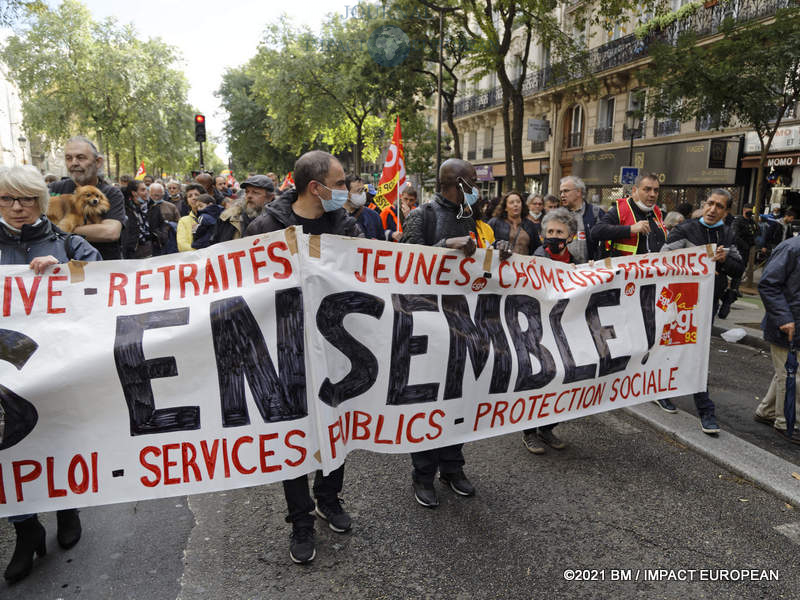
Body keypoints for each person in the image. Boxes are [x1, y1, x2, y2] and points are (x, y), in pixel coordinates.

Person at [247, 150, 362, 565]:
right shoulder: (265, 227)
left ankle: (327, 499)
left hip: (336, 346)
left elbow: (381, 271)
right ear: (317, 188)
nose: (346, 188)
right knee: (293, 432)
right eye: (341, 181)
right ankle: (300, 520)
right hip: (286, 348)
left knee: (335, 421)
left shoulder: (345, 224)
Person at [0, 166, 102, 584]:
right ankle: (26, 529)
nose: (18, 207)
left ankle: (68, 506)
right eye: (8, 199)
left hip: (60, 365)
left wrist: (65, 272)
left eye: (26, 199)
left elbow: (106, 290)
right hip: (7, 372)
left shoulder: (68, 243)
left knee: (61, 435)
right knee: (10, 449)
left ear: (42, 202)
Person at [401, 158, 484, 509]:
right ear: (457, 182)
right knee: (429, 403)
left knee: (459, 400)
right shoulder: (423, 215)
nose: (477, 187)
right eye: (473, 181)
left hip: (463, 324)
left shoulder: (469, 216)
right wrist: (444, 245)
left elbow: (479, 263)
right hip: (428, 326)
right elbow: (403, 265)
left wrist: (501, 256)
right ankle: (423, 474)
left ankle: (452, 467)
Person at [661, 189, 744, 434]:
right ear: (703, 204)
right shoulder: (685, 229)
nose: (712, 209)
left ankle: (704, 408)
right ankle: (672, 394)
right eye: (710, 203)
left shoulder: (728, 235)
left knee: (698, 353)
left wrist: (722, 261)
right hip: (680, 303)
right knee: (673, 347)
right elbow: (662, 259)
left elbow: (738, 269)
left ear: (726, 211)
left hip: (707, 304)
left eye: (719, 206)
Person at [523, 207, 577, 453]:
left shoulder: (576, 265)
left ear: (570, 237)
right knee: (538, 379)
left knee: (562, 381)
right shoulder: (535, 260)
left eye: (560, 232)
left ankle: (547, 427)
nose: (554, 236)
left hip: (564, 332)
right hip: (538, 331)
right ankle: (529, 432)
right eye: (550, 231)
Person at [48, 136, 125, 260]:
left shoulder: (111, 193)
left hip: (101, 268)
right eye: (69, 158)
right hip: (61, 269)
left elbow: (110, 232)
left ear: (98, 162)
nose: (73, 163)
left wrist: (57, 230)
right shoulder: (53, 189)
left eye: (80, 157)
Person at [755, 233, 800, 444]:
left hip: (790, 321)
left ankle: (768, 411)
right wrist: (784, 317)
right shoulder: (791, 248)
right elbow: (768, 284)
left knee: (786, 373)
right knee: (792, 377)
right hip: (786, 324)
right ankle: (789, 422)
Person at [591, 172, 667, 258]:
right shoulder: (621, 209)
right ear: (634, 191)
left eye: (656, 190)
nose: (652, 194)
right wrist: (630, 229)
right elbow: (596, 231)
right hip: (626, 269)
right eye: (647, 189)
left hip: (652, 269)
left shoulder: (657, 212)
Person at [718, 205, 760, 319]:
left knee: (737, 272)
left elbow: (756, 232)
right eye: (748, 210)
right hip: (736, 250)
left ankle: (732, 293)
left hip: (737, 254)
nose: (749, 213)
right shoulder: (737, 222)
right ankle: (729, 295)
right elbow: (735, 236)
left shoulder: (751, 222)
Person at [215, 175, 275, 243]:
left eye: (255, 192)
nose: (249, 196)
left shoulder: (279, 220)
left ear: (270, 198)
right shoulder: (228, 217)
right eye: (247, 192)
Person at [558, 175, 604, 263]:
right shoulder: (559, 215)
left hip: (590, 269)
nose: (562, 195)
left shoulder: (596, 213)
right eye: (561, 192)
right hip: (566, 268)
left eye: (566, 191)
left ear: (578, 192)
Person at [122, 180, 166, 258]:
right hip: (132, 253)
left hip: (153, 251)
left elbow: (162, 225)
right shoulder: (125, 210)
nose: (146, 192)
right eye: (143, 190)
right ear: (134, 193)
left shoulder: (153, 207)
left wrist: (160, 237)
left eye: (146, 189)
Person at [488, 190, 540, 255]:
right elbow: (485, 243)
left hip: (523, 263)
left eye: (518, 202)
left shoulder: (530, 225)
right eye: (511, 202)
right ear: (505, 208)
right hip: (500, 263)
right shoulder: (495, 223)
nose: (515, 205)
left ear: (522, 205)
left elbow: (537, 249)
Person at [344, 175, 383, 239]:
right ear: (347, 194)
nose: (363, 194)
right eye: (359, 191)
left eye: (363, 190)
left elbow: (382, 241)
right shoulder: (337, 216)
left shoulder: (374, 216)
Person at [176, 183, 206, 252]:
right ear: (187, 201)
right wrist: (201, 253)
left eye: (197, 195)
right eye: (190, 196)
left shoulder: (214, 217)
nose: (194, 198)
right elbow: (182, 245)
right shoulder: (183, 221)